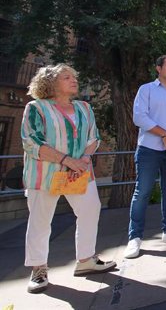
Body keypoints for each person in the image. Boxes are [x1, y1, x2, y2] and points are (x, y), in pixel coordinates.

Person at [21, 64, 116, 293]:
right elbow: (32, 142)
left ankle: (85, 260)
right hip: (45, 174)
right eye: (66, 77)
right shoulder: (36, 108)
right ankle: (38, 269)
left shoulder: (84, 107)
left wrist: (82, 159)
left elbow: (94, 137)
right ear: (51, 83)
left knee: (90, 208)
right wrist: (67, 160)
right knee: (40, 221)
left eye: (74, 76)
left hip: (79, 172)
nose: (74, 80)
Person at [124, 55, 166, 259]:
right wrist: (164, 134)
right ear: (158, 68)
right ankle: (134, 237)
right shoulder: (146, 90)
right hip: (149, 149)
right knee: (142, 191)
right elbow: (139, 117)